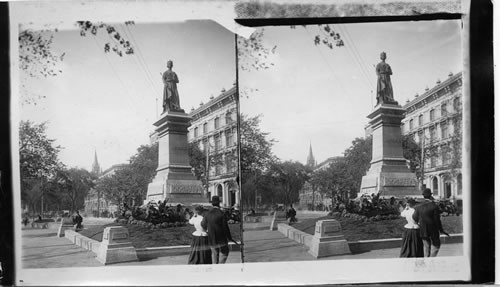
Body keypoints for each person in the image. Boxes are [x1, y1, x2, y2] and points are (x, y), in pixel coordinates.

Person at [413, 188, 447, 257]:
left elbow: (414, 217)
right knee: (436, 245)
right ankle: (432, 259)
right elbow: (437, 220)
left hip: (423, 229)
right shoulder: (434, 206)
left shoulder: (418, 206)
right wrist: (441, 230)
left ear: (423, 196)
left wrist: (419, 223)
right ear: (430, 196)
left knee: (426, 247)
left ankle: (427, 260)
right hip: (433, 229)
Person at [201, 196, 233, 264]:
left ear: (212, 204)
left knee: (214, 254)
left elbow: (203, 224)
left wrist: (207, 230)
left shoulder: (208, 213)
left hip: (211, 237)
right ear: (219, 203)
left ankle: (215, 268)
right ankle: (220, 266)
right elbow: (225, 227)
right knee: (224, 253)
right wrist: (229, 237)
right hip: (221, 238)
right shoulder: (221, 213)